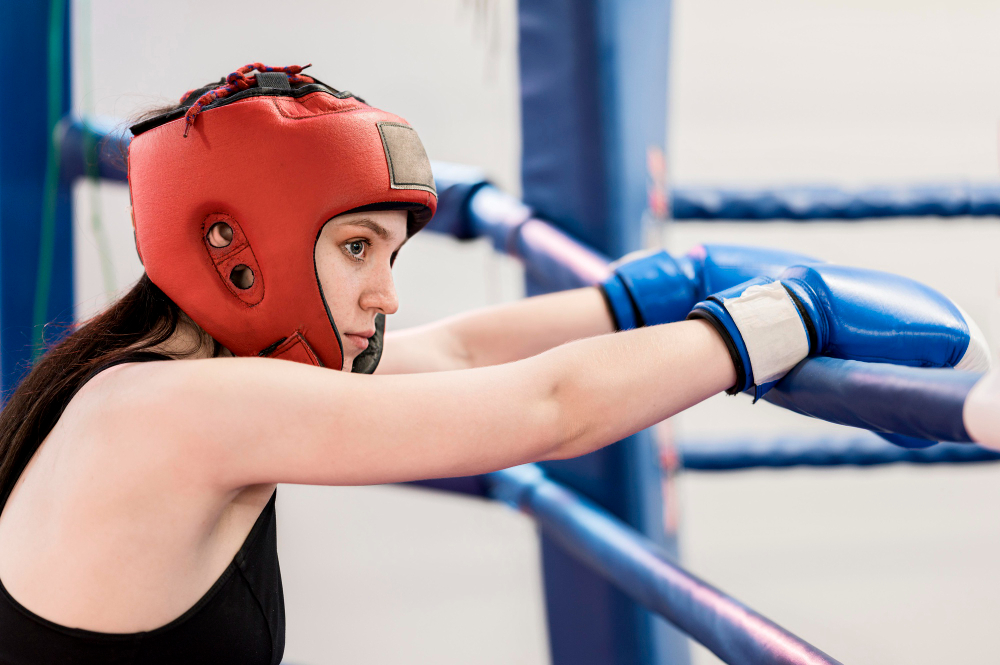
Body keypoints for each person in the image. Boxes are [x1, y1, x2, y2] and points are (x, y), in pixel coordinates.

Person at [0, 63, 986, 664]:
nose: (386, 293)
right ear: (237, 243)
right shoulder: (183, 411)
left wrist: (636, 295)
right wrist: (779, 319)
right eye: (356, 250)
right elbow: (548, 409)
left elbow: (462, 349)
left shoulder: (157, 377)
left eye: (390, 256)